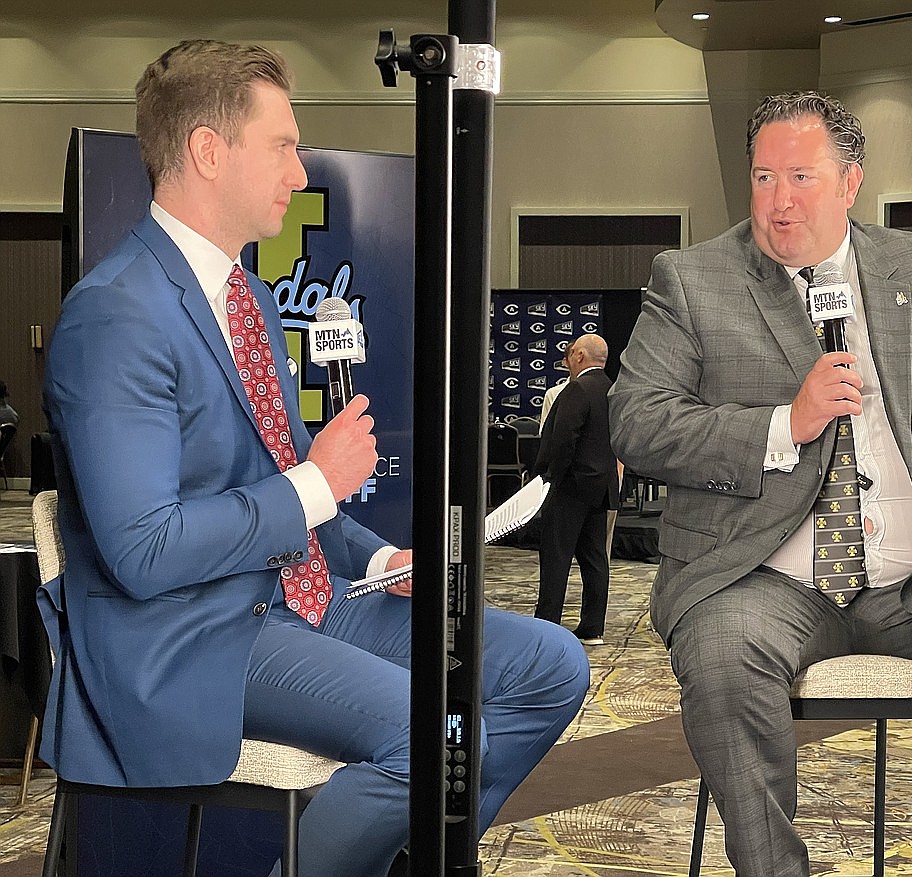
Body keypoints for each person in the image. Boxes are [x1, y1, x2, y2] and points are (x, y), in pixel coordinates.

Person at [39, 39, 589, 877]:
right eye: (284, 146)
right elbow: (143, 550)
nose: (300, 173)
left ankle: (413, 855)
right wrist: (312, 483)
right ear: (207, 152)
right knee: (430, 732)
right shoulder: (115, 315)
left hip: (306, 597)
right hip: (194, 633)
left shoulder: (250, 297)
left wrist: (380, 556)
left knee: (554, 665)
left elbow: (303, 496)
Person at [609, 91, 912, 877]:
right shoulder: (692, 280)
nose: (778, 201)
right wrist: (786, 422)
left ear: (851, 183)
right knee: (720, 663)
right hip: (761, 577)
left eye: (801, 177)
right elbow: (636, 421)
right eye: (764, 176)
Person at [533, 334, 620, 645]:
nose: (567, 359)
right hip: (602, 486)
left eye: (570, 354)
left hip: (571, 488)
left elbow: (562, 440)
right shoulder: (616, 391)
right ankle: (593, 626)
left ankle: (547, 625)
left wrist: (545, 479)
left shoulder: (576, 389)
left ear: (580, 356)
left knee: (556, 557)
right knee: (595, 557)